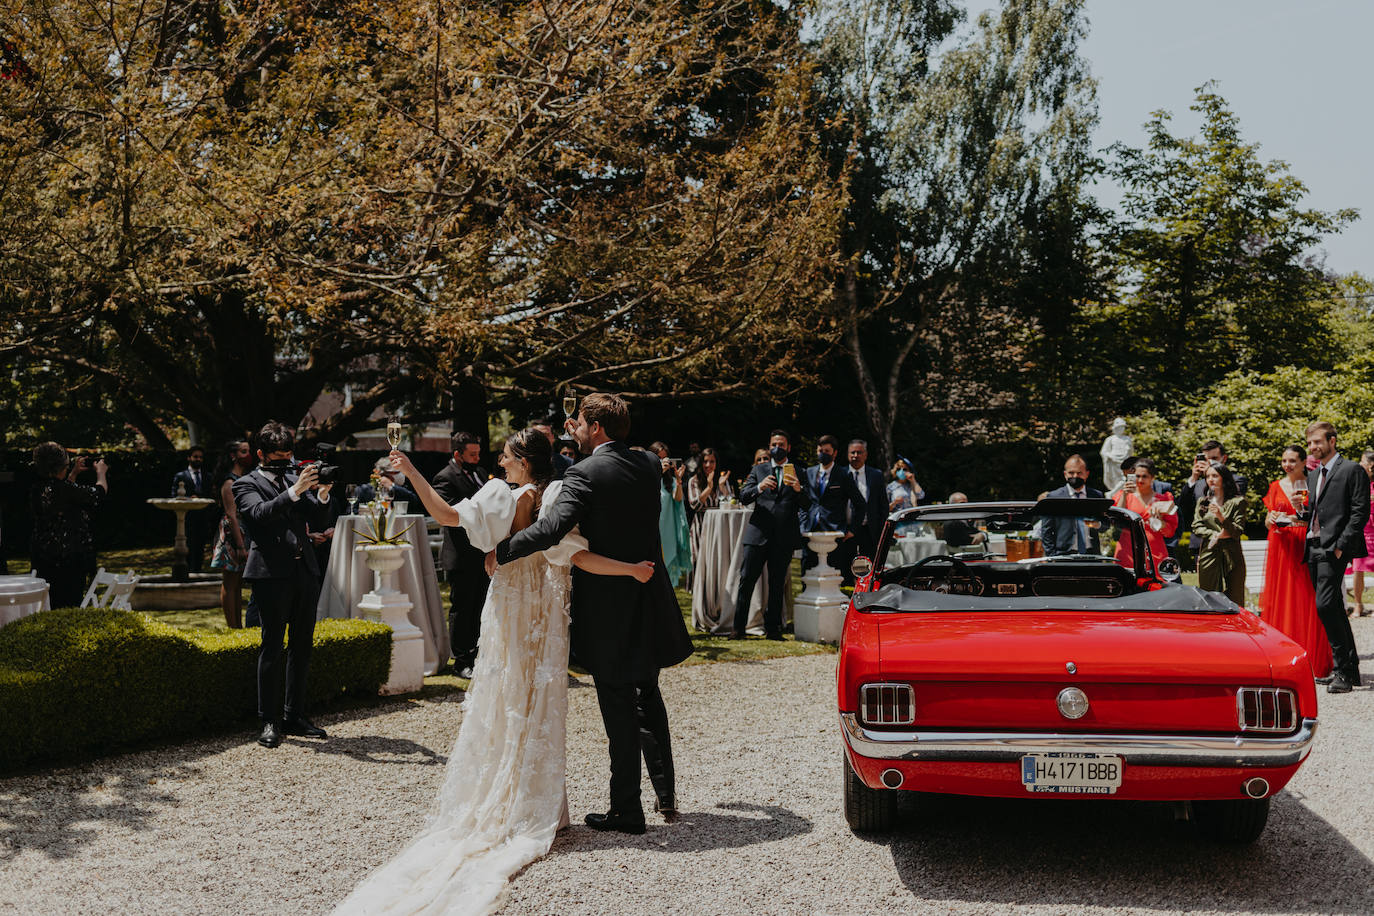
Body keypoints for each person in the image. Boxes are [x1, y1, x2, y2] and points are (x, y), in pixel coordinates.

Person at [335, 428, 657, 915]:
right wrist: (629, 569)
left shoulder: (503, 496)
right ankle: (538, 801)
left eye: (506, 457)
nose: (500, 464)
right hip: (546, 613)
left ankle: (516, 800)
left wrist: (411, 471)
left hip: (513, 605)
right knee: (535, 701)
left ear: (524, 461)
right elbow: (577, 556)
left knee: (508, 696)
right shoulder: (554, 494)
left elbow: (444, 515)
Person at [494, 393, 693, 835]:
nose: (574, 430)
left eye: (579, 424)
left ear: (596, 428)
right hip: (648, 599)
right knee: (648, 698)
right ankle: (666, 793)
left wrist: (502, 552)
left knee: (619, 712)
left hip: (609, 609)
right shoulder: (645, 463)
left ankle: (627, 810)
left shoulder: (584, 473)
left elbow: (549, 531)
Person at [232, 422, 332, 748]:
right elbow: (260, 514)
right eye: (278, 457)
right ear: (260, 454)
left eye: (288, 456)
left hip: (305, 570)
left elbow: (316, 517)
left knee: (302, 645)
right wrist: (294, 491)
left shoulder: (294, 478)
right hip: (270, 575)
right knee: (272, 646)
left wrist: (322, 492)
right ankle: (269, 720)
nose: (285, 463)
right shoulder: (244, 484)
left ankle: (295, 715)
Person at [1303, 421, 1368, 693]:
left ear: (1332, 440)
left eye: (1317, 442)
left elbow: (1359, 511)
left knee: (1325, 605)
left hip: (1335, 548)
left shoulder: (1352, 469)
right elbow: (1316, 514)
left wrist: (1341, 545)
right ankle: (1349, 671)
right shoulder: (1314, 475)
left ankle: (1342, 670)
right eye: (1309, 443)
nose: (1312, 447)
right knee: (1334, 609)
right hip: (1313, 546)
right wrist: (1299, 513)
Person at [1259, 445, 1332, 679]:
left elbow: (1320, 517)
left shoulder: (1313, 485)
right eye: (1284, 460)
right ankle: (1280, 659)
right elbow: (1268, 521)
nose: (1287, 465)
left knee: (1307, 599)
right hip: (1280, 548)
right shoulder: (1274, 486)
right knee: (1281, 599)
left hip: (1304, 544)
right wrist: (1270, 520)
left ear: (1303, 462)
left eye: (1292, 460)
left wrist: (1295, 518)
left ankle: (1312, 658)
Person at [735, 430, 811, 639]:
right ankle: (738, 628)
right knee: (746, 580)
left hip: (783, 536)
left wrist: (798, 488)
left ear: (788, 447)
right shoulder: (759, 469)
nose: (777, 447)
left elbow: (808, 504)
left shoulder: (799, 471)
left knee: (777, 584)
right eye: (774, 444)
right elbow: (743, 496)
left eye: (782, 444)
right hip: (758, 533)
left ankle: (773, 629)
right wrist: (759, 487)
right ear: (770, 446)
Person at [432, 431, 490, 677]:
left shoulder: (478, 473)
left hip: (482, 553)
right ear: (458, 454)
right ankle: (461, 661)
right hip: (462, 554)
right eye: (472, 454)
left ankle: (478, 655)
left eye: (478, 453)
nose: (477, 458)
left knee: (480, 606)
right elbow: (449, 514)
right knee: (462, 609)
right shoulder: (444, 478)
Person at [29, 443, 107, 608]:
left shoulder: (37, 489)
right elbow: (97, 495)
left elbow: (61, 497)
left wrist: (73, 474)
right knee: (68, 604)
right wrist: (101, 473)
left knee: (48, 604)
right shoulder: (64, 490)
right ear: (62, 464)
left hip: (43, 557)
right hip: (68, 559)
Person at [802, 435, 864, 571]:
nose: (822, 454)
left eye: (826, 451)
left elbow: (860, 504)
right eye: (820, 451)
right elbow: (803, 502)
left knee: (832, 576)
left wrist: (853, 530)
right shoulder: (809, 473)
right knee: (807, 573)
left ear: (834, 453)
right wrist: (803, 523)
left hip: (833, 531)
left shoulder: (843, 475)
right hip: (810, 530)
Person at [209, 439, 252, 628]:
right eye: (244, 452)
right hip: (231, 534)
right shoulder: (229, 482)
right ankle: (232, 627)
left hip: (243, 531)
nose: (248, 455)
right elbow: (231, 515)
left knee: (238, 583)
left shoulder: (243, 479)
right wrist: (241, 545)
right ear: (233, 456)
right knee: (230, 581)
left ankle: (238, 626)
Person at [1193, 462, 1246, 606]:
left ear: (1224, 478)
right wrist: (1215, 535)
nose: (1210, 479)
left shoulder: (1237, 502)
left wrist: (1221, 517)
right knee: (1208, 598)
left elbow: (1238, 530)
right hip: (1209, 553)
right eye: (1208, 476)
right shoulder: (1202, 502)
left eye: (1215, 476)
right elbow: (1196, 526)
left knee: (1235, 599)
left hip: (1232, 556)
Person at [1111, 458, 1177, 572]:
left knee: (1157, 587)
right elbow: (1116, 520)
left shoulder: (1164, 499)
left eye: (1144, 476)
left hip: (1155, 551)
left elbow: (1170, 532)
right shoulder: (1124, 495)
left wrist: (1160, 523)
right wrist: (1125, 495)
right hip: (1128, 549)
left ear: (1152, 478)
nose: (1140, 480)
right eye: (1137, 476)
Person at [1040, 455, 1104, 557]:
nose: (1075, 476)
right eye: (1071, 473)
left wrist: (1098, 525)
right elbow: (1046, 531)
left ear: (1087, 474)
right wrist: (1051, 556)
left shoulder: (1096, 496)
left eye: (1079, 473)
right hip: (1062, 555)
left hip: (1091, 555)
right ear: (1065, 474)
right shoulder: (1054, 497)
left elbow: (1106, 524)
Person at [841, 439, 886, 582]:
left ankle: (864, 590)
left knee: (867, 567)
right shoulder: (840, 474)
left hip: (868, 528)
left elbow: (882, 505)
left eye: (859, 452)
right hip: (846, 529)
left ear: (865, 455)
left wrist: (882, 529)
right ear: (847, 455)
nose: (855, 455)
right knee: (845, 564)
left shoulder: (875, 475)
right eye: (852, 452)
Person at [686, 447, 733, 580]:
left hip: (719, 525)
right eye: (705, 461)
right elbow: (694, 504)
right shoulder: (693, 481)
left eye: (712, 461)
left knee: (717, 557)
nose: (708, 465)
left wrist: (722, 487)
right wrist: (709, 487)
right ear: (701, 463)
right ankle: (697, 590)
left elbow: (731, 503)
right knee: (698, 558)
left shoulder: (722, 480)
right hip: (701, 524)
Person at [650, 441, 691, 586]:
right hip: (651, 529)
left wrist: (679, 480)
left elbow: (678, 499)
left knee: (665, 572)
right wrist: (658, 472)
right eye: (659, 458)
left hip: (667, 529)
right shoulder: (648, 479)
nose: (663, 462)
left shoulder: (670, 481)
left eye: (665, 458)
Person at [170, 445, 212, 573]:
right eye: (195, 457)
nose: (198, 459)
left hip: (203, 518)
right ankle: (185, 573)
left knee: (200, 548)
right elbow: (174, 495)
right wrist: (189, 498)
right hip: (186, 519)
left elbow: (211, 495)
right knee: (187, 547)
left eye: (200, 457)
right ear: (189, 458)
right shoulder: (181, 476)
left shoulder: (208, 476)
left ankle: (197, 573)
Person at [1346, 450, 1374, 617]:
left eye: (1362, 462)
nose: (1359, 464)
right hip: (1361, 530)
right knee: (1358, 569)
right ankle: (1358, 604)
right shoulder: (1356, 481)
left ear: (1370, 465)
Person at [352, 456, 420, 512]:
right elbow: (351, 511)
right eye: (398, 471)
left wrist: (392, 487)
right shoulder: (363, 490)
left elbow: (414, 502)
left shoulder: (400, 490)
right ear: (386, 474)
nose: (402, 474)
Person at [885, 457, 924, 536]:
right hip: (898, 522)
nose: (901, 471)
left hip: (912, 521)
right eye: (899, 469)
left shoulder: (911, 485)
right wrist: (894, 502)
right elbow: (885, 508)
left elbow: (921, 495)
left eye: (905, 469)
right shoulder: (891, 487)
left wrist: (913, 480)